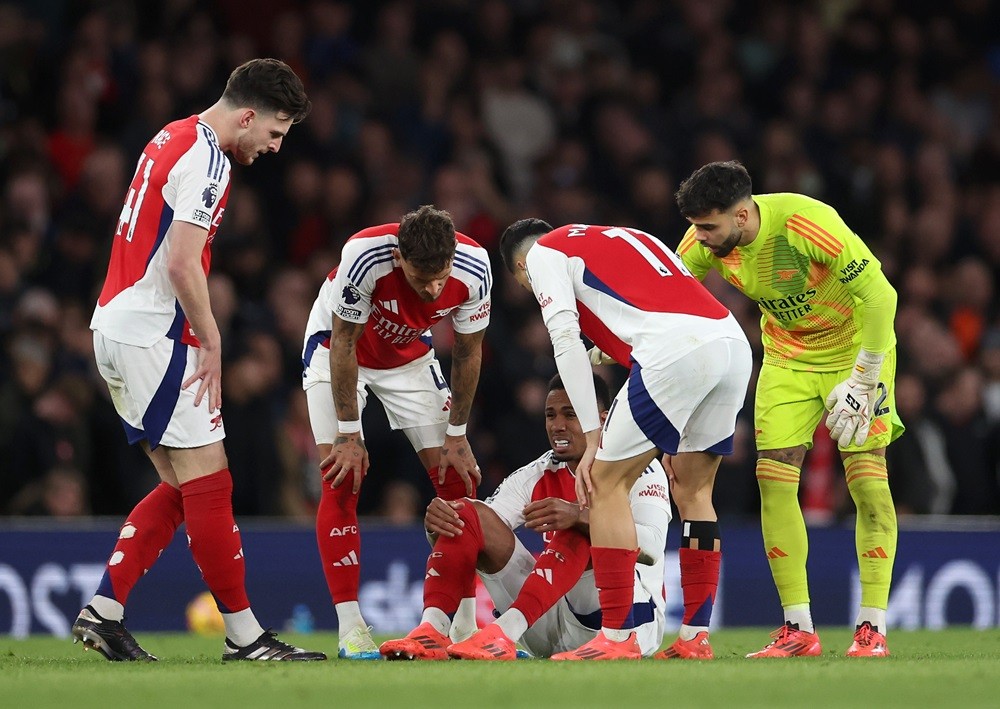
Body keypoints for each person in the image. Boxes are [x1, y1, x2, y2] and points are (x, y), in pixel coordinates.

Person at [76, 59, 325, 662]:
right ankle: (245, 638)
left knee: (180, 483)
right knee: (211, 482)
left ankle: (104, 612)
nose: (272, 147)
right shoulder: (209, 156)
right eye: (273, 133)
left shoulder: (169, 134)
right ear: (247, 115)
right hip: (155, 335)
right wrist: (211, 337)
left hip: (115, 325)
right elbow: (184, 261)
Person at [673, 160, 902, 657]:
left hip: (857, 352)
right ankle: (798, 628)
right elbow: (666, 295)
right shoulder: (702, 241)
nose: (701, 239)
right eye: (695, 227)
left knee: (866, 481)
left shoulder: (805, 222)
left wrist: (865, 377)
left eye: (709, 227)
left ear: (741, 214)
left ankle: (872, 628)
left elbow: (882, 295)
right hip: (787, 360)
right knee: (773, 481)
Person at [498, 219, 752, 660]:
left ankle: (617, 638)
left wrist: (594, 437)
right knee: (694, 490)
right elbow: (643, 312)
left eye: (525, 282)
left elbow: (565, 342)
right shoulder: (625, 236)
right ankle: (695, 637)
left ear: (521, 265)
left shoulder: (542, 256)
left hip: (673, 351)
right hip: (731, 341)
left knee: (605, 480)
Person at [301, 204, 492, 658]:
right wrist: (350, 432)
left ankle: (463, 628)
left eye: (439, 277)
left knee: (457, 482)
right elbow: (344, 342)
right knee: (341, 477)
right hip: (338, 352)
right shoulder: (365, 254)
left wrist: (458, 433)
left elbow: (468, 353)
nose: (431, 289)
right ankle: (351, 629)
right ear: (399, 257)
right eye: (419, 277)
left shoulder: (475, 265)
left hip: (409, 357)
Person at [378, 374, 670, 660]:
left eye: (571, 414)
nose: (557, 426)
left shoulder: (640, 469)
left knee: (581, 527)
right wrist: (442, 522)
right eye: (550, 415)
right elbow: (474, 530)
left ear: (603, 420)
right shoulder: (537, 473)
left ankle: (505, 631)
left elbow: (653, 548)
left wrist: (580, 516)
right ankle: (433, 629)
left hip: (627, 625)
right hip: (549, 626)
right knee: (466, 512)